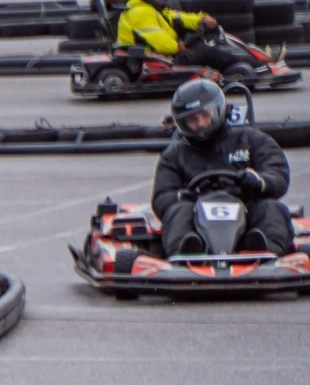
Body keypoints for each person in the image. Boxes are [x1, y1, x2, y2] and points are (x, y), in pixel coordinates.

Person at [155, 78, 294, 254]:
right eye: (193, 119)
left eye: (205, 115)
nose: (200, 124)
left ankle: (265, 249)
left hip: (245, 208)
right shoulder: (175, 154)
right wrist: (183, 196)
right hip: (197, 217)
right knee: (178, 211)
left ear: (218, 110)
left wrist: (259, 182)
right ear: (182, 123)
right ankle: (185, 251)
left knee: (271, 208)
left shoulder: (251, 139)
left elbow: (278, 174)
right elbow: (161, 198)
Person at [114, 0, 252, 76]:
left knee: (201, 45)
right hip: (157, 60)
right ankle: (243, 69)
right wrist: (178, 47)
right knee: (207, 52)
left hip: (165, 56)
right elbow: (161, 43)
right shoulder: (140, 12)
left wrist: (201, 19)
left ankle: (246, 63)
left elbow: (180, 18)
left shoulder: (155, 10)